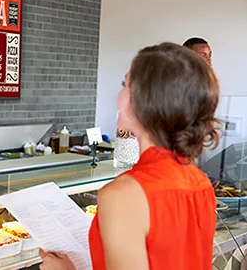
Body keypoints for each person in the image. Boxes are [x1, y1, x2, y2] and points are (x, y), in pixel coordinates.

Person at [39, 43, 220, 270]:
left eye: (125, 85)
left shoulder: (124, 194)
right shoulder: (200, 181)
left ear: (145, 102)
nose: (119, 95)